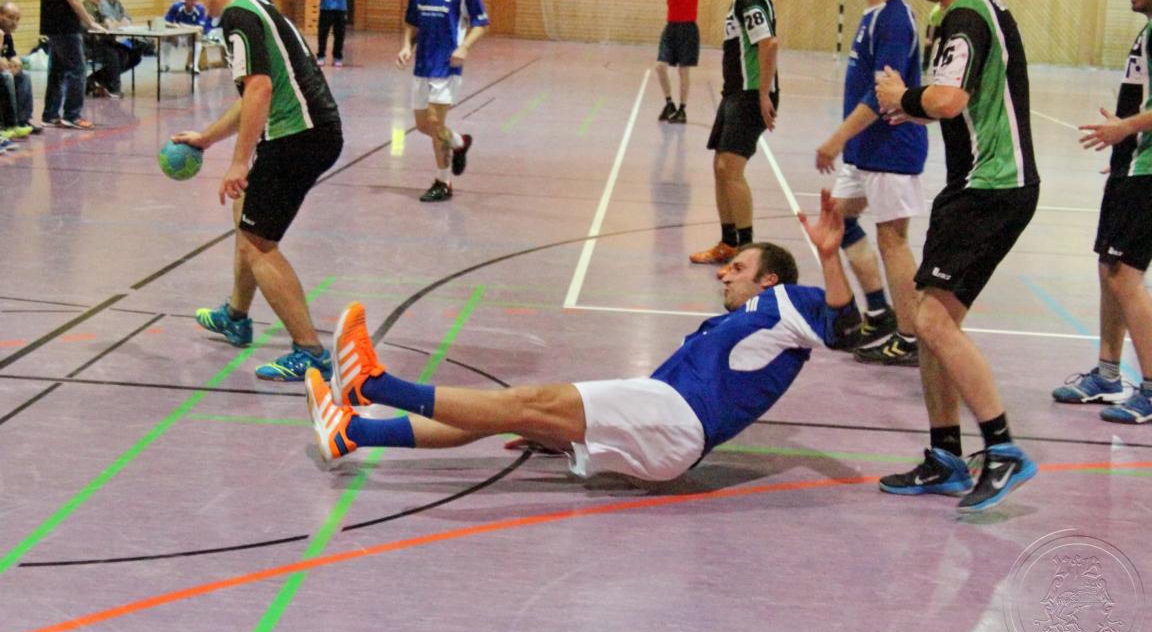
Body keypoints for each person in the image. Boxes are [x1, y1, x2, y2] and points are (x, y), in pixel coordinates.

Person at [305, 190, 861, 482]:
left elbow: (846, 330)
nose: (724, 273)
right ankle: (352, 432)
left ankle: (371, 385)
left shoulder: (788, 303)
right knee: (510, 414)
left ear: (769, 278)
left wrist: (830, 257)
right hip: (663, 423)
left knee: (524, 401)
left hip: (673, 418)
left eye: (738, 267)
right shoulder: (729, 325)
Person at [875, 0, 1039, 511]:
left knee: (932, 321)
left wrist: (903, 97)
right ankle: (946, 456)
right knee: (929, 317)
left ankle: (1003, 448)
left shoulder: (965, 16)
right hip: (978, 185)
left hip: (990, 188)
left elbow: (947, 99)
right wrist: (912, 109)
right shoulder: (972, 10)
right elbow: (958, 104)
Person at [173, 0, 343, 381]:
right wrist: (207, 139)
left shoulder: (238, 16)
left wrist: (237, 162)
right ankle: (236, 315)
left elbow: (260, 90)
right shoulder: (261, 8)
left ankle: (310, 351)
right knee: (246, 215)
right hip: (311, 132)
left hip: (297, 137)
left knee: (257, 244)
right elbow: (252, 94)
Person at [815, 0, 928, 366]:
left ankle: (911, 336)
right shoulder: (872, 14)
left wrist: (836, 139)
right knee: (837, 220)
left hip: (891, 149)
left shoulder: (895, 19)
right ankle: (879, 313)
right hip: (866, 149)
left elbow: (882, 94)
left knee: (893, 240)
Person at [1053, 0, 1152, 424]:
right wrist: (1122, 149)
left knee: (1125, 276)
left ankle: (1150, 388)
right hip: (1131, 164)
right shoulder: (1147, 29)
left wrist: (1126, 130)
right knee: (1108, 267)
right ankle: (1108, 375)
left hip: (1147, 171)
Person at [689, 0, 778, 265]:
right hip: (734, 93)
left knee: (732, 168)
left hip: (749, 95)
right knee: (720, 167)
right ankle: (728, 244)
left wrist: (764, 94)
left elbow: (768, 44)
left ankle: (747, 253)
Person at [398, 0, 489, 203]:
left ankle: (443, 181)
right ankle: (459, 142)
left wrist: (464, 47)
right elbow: (412, 22)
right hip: (422, 64)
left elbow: (481, 23)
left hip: (447, 65)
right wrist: (406, 46)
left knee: (436, 123)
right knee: (423, 125)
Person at [40, 0, 105, 130]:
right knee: (78, 70)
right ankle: (72, 115)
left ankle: (50, 115)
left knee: (57, 71)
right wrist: (89, 22)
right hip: (65, 28)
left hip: (56, 27)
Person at [655, 0, 713, 124]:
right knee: (660, 66)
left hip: (687, 29)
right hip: (671, 28)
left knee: (683, 71)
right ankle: (669, 104)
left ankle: (682, 109)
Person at [0, 2, 38, 140]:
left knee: (23, 75)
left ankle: (23, 121)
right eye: (10, 17)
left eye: (17, 19)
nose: (14, 22)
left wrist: (17, 64)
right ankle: (9, 125)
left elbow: (12, 56)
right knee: (6, 77)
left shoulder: (7, 35)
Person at [163, 0, 210, 73]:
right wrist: (174, 25)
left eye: (195, 0)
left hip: (190, 38)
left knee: (198, 35)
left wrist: (183, 26)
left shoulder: (200, 9)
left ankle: (195, 66)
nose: (193, 2)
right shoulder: (177, 6)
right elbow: (165, 22)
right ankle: (166, 65)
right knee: (165, 36)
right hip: (178, 37)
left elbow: (201, 28)